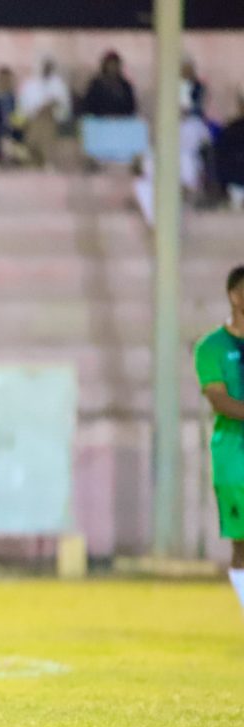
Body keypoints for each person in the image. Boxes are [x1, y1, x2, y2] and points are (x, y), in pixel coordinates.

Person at [195, 266, 244, 615]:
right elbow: (219, 399)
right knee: (242, 544)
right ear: (234, 296)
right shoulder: (211, 347)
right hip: (234, 458)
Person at [18, 57, 72, 168]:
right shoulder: (31, 84)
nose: (46, 69)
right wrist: (37, 109)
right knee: (32, 143)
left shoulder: (58, 84)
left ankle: (48, 163)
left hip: (50, 120)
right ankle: (35, 164)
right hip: (34, 120)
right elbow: (25, 103)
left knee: (48, 143)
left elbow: (63, 103)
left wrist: (51, 105)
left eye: (49, 66)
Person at [0, 66, 23, 167]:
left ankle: (7, 158)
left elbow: (9, 113)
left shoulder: (9, 96)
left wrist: (9, 127)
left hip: (4, 128)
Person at [83, 51, 136, 117]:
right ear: (105, 66)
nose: (112, 67)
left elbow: (131, 107)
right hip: (99, 120)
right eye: (110, 65)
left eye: (115, 64)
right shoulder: (96, 85)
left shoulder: (125, 86)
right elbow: (89, 106)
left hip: (121, 120)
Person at [215, 91, 244, 210]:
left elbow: (220, 154)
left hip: (234, 179)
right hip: (235, 179)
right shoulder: (231, 129)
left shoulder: (230, 129)